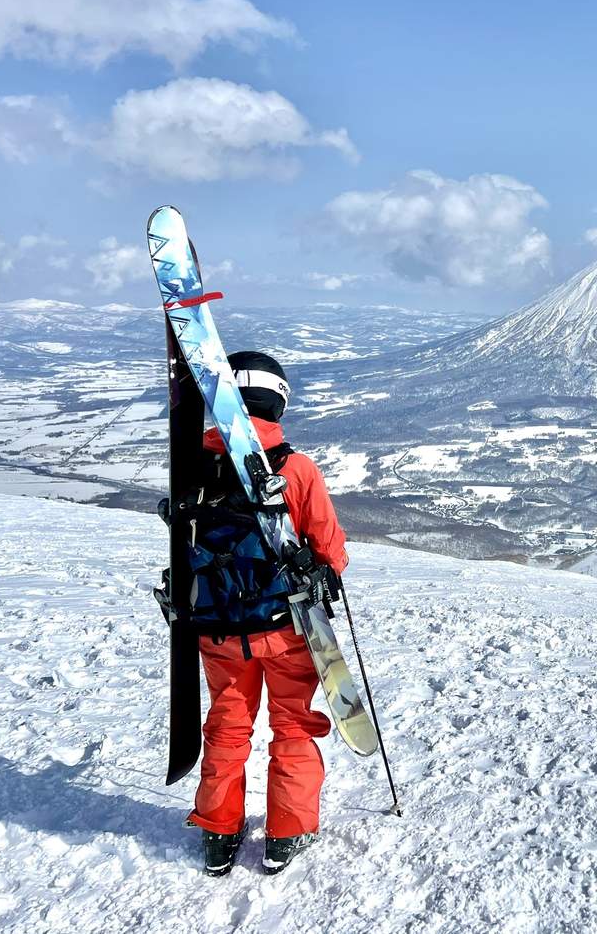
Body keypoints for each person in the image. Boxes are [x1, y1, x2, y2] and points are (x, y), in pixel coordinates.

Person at [187, 350, 349, 877]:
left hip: (217, 631)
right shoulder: (294, 468)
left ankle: (217, 831)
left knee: (228, 728)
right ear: (278, 402)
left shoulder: (191, 464)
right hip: (284, 629)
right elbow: (329, 548)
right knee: (293, 726)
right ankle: (287, 831)